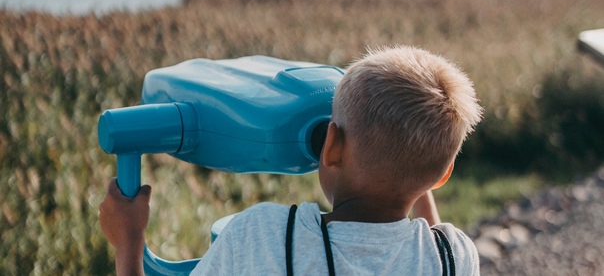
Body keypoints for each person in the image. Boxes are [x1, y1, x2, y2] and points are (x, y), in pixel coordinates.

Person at [100, 45, 483, 275]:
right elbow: (429, 241)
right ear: (444, 174)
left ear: (330, 144)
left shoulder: (263, 237)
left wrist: (128, 241)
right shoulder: (455, 255)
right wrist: (413, 162)